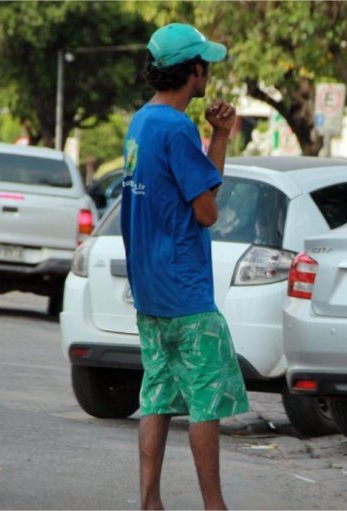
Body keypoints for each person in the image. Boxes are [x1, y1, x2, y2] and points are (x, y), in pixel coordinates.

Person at [120, 23, 249, 511]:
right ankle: (214, 507)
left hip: (150, 289)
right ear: (192, 70)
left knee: (155, 396)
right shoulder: (177, 128)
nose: (209, 71)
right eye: (206, 64)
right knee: (205, 399)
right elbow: (208, 212)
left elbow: (198, 192)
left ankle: (149, 502)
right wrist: (213, 137)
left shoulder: (142, 122)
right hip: (185, 289)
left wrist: (220, 136)